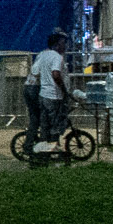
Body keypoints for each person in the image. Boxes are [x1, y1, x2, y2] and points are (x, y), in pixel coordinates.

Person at [26, 30, 74, 161]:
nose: (65, 46)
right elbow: (56, 74)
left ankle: (42, 156)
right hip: (54, 96)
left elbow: (36, 71)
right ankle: (54, 153)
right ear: (57, 44)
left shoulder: (43, 55)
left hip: (43, 95)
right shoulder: (57, 57)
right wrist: (63, 89)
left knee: (44, 127)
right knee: (55, 127)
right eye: (63, 43)